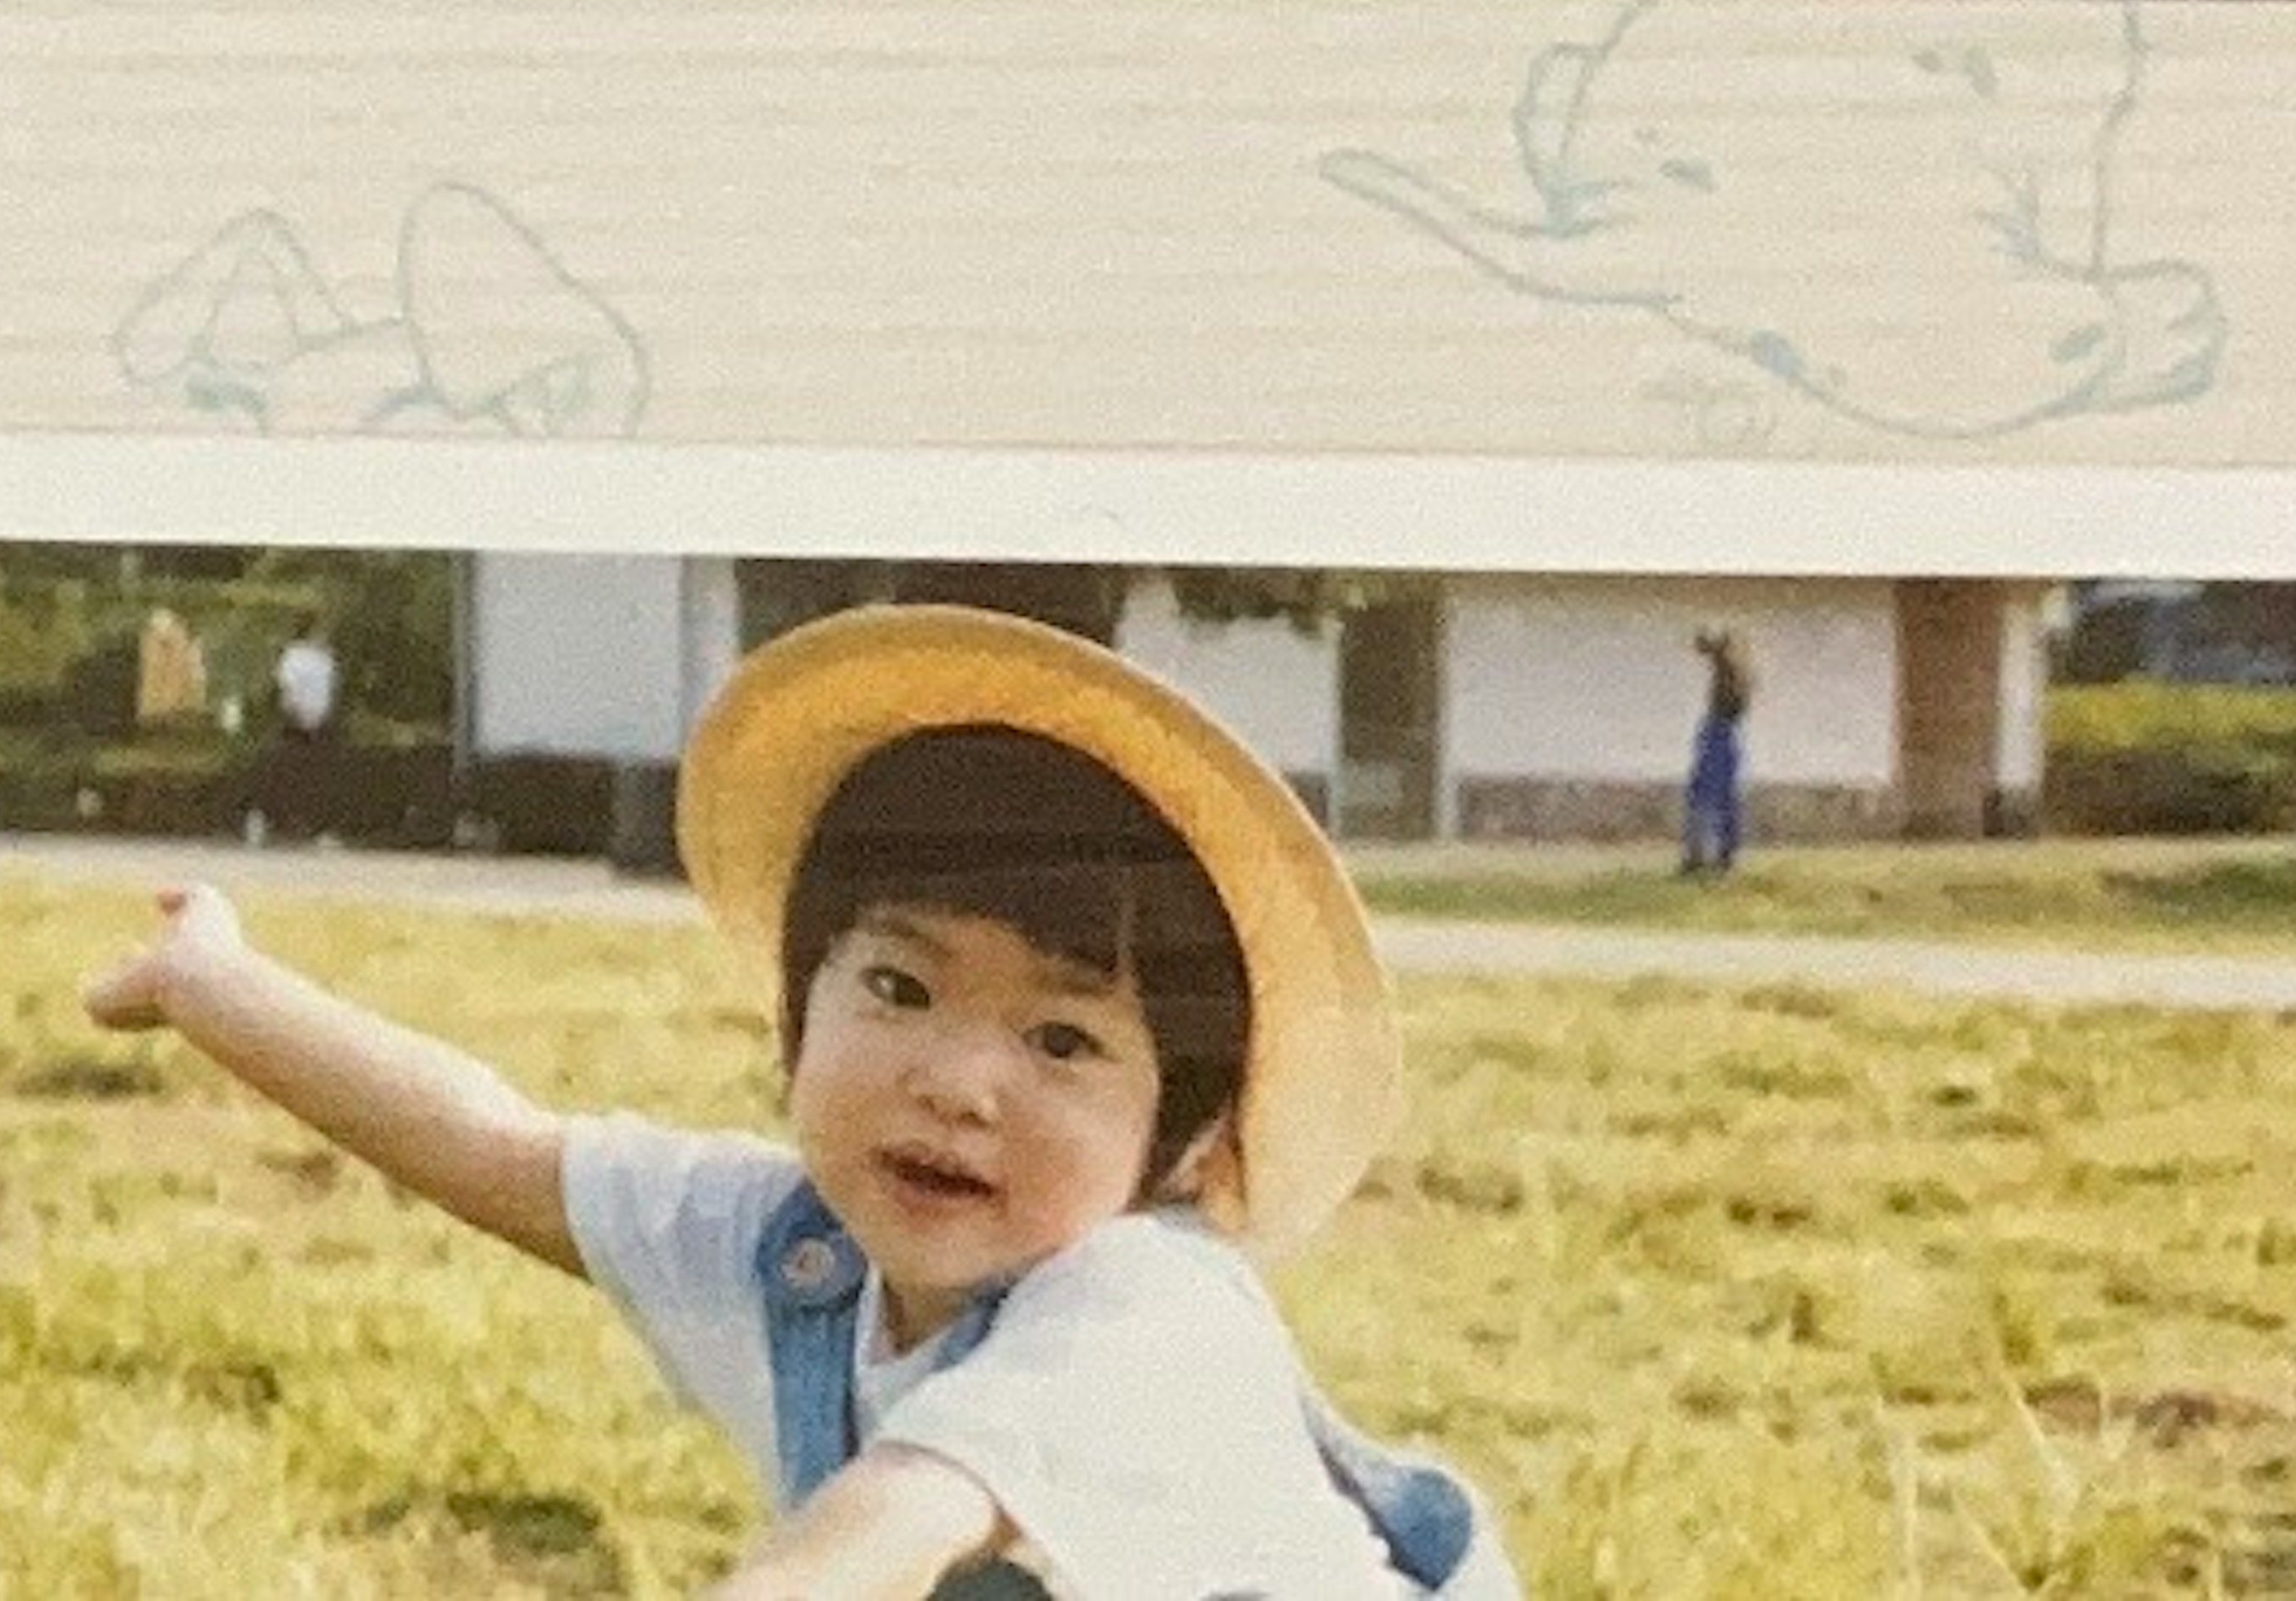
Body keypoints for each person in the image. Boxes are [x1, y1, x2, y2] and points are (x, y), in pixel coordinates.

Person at [85, 600, 1517, 1600]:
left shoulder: (1142, 1317)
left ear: (1183, 1140)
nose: (959, 1082)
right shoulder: (797, 1249)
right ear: (798, 1009)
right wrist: (215, 982)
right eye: (899, 989)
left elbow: (876, 1534)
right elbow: (497, 1146)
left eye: (1065, 1039)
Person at [1679, 627, 1751, 879]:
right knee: (1716, 798)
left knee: (1707, 798)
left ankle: (1707, 858)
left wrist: (1709, 644)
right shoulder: (1737, 673)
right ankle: (1716, 857)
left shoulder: (1731, 670)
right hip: (1721, 731)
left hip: (1719, 732)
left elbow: (1716, 653)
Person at [266, 619, 342, 844]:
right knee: (295, 773)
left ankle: (314, 824)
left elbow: (328, 688)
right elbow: (288, 689)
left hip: (319, 722)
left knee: (317, 777)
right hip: (299, 722)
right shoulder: (295, 656)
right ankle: (289, 821)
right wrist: (296, 712)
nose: (326, 635)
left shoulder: (325, 658)